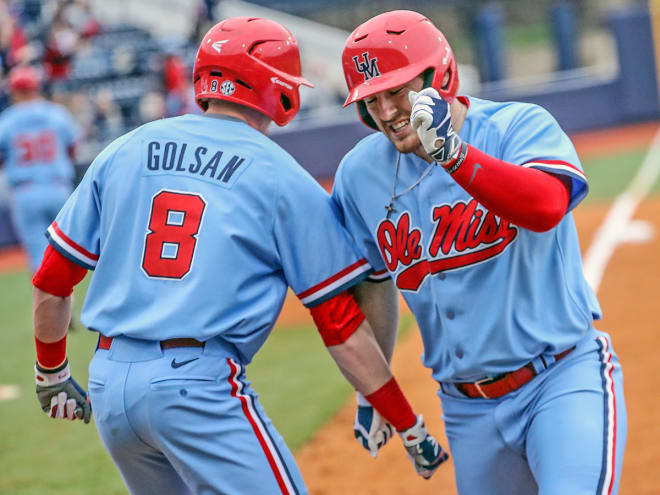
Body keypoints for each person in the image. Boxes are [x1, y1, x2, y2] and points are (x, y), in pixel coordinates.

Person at [30, 17, 448, 495]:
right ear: (280, 89)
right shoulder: (280, 176)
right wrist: (408, 424)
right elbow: (340, 325)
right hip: (194, 386)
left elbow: (51, 280)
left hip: (108, 386)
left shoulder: (125, 148)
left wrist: (51, 372)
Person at [333, 10, 626, 495]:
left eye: (397, 92)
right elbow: (372, 282)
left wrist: (453, 155)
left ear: (438, 76)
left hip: (560, 381)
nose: (385, 112)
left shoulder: (516, 127)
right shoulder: (358, 174)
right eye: (371, 100)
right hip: (467, 410)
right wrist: (374, 389)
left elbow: (546, 205)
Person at [0, 64, 80, 273]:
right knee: (68, 253)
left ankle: (46, 305)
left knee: (39, 258)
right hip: (58, 186)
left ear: (14, 90)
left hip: (25, 191)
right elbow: (73, 148)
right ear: (37, 87)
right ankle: (69, 304)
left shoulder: (7, 119)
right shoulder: (56, 113)